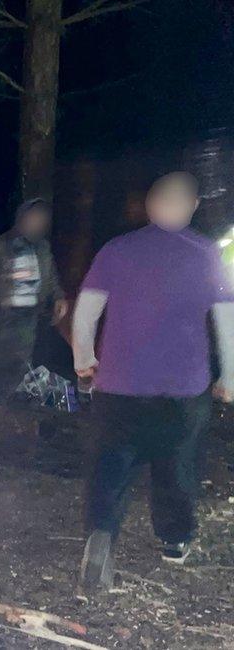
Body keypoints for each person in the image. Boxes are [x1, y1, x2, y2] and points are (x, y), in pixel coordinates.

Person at [74, 172, 234, 589]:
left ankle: (102, 533)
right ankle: (175, 540)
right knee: (177, 465)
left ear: (150, 204)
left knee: (111, 464)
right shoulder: (206, 255)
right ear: (192, 205)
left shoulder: (117, 249)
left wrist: (84, 359)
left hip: (119, 384)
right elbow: (226, 319)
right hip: (181, 390)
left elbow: (87, 308)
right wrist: (230, 375)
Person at [0, 199, 68, 402]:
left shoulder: (42, 246)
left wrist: (59, 297)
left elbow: (50, 275)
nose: (37, 223)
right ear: (22, 218)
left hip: (29, 312)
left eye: (42, 221)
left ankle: (7, 400)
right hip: (3, 310)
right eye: (33, 218)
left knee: (21, 359)